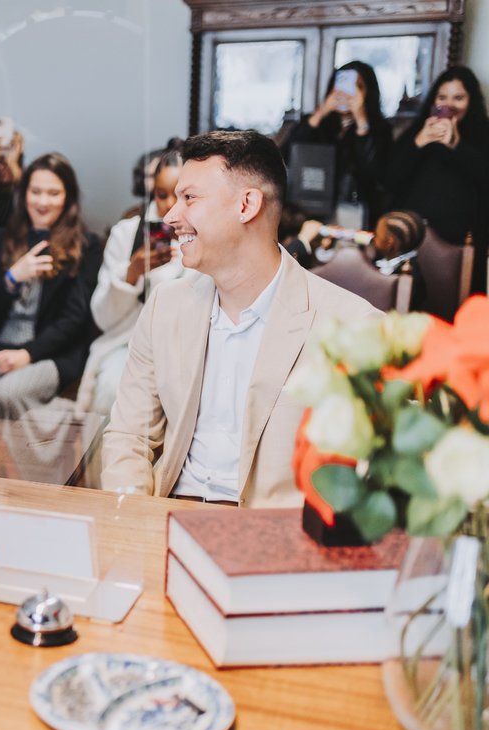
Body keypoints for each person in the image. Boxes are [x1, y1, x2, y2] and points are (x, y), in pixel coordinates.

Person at [101, 130, 381, 508]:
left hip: (275, 537)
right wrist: (131, 512)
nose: (170, 215)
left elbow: (373, 469)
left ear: (247, 205)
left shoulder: (352, 326)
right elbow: (129, 435)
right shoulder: (164, 306)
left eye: (189, 198)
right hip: (171, 514)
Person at [0, 153, 102, 463]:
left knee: (4, 394)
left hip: (50, 354)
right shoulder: (3, 239)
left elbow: (73, 320)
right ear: (24, 194)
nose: (43, 201)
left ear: (67, 197)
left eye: (54, 193)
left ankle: (11, 491)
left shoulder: (86, 245)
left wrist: (26, 355)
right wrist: (12, 278)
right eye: (36, 191)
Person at [78, 146, 186, 417]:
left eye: (183, 195)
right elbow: (102, 319)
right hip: (128, 345)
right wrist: (132, 272)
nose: (170, 206)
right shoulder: (128, 234)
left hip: (187, 350)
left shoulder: (208, 239)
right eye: (162, 195)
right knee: (112, 391)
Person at [384, 65, 489, 294]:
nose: (448, 105)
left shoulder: (483, 133)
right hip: (409, 239)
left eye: (458, 98)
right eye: (442, 97)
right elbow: (389, 180)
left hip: (461, 244)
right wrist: (419, 141)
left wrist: (456, 146)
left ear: (472, 101)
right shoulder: (417, 131)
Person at [281, 61, 394, 227]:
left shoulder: (379, 129)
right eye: (343, 85)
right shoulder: (316, 123)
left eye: (358, 87)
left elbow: (372, 175)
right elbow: (286, 155)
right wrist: (321, 112)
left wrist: (361, 121)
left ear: (368, 92)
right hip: (308, 205)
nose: (348, 93)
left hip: (351, 211)